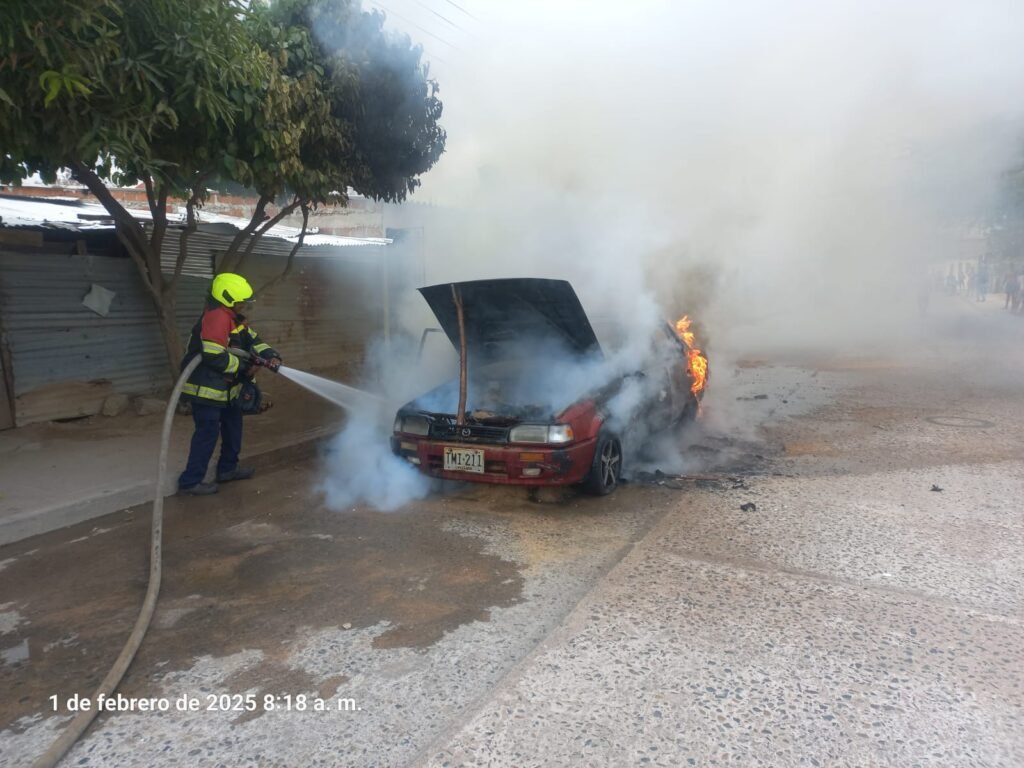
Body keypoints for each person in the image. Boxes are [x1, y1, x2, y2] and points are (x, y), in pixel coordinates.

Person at [177, 273, 282, 495]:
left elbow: (254, 340)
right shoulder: (216, 317)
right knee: (207, 433)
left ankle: (227, 470)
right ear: (228, 299)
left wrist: (271, 355)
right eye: (241, 301)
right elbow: (214, 356)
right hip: (206, 389)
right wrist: (245, 367)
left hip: (226, 389)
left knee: (234, 427)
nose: (244, 305)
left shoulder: (233, 318)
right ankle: (190, 482)